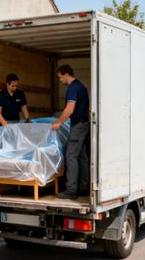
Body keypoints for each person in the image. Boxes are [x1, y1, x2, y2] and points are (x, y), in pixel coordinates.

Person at [51, 64, 89, 199]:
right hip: (84, 124)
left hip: (78, 126)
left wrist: (58, 122)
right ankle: (84, 187)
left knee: (70, 156)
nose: (61, 81)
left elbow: (69, 108)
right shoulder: (82, 87)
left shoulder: (72, 88)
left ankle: (71, 190)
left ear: (66, 74)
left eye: (60, 77)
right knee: (82, 157)